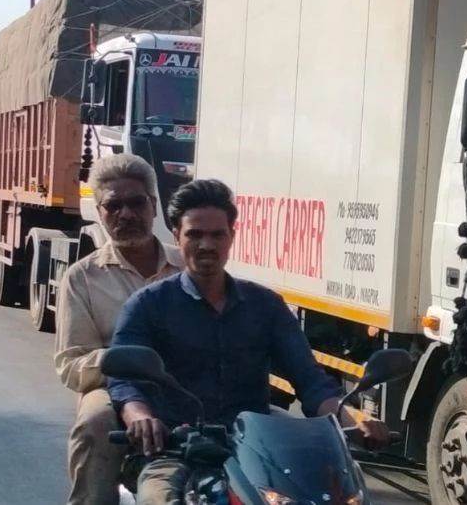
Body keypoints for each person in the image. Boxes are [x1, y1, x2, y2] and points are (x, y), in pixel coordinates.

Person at [107, 179, 390, 504]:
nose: (206, 245)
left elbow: (311, 383)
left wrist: (356, 418)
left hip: (255, 451)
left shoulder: (265, 305)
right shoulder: (148, 305)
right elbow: (124, 380)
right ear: (176, 237)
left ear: (232, 236)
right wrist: (140, 415)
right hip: (175, 450)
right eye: (194, 235)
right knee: (158, 498)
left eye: (217, 234)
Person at [55, 154, 183, 505]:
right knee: (95, 422)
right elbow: (70, 365)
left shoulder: (187, 266)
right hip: (111, 388)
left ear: (153, 206)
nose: (126, 214)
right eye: (114, 206)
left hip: (186, 382)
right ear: (100, 213)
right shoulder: (82, 278)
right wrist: (122, 361)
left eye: (136, 203)